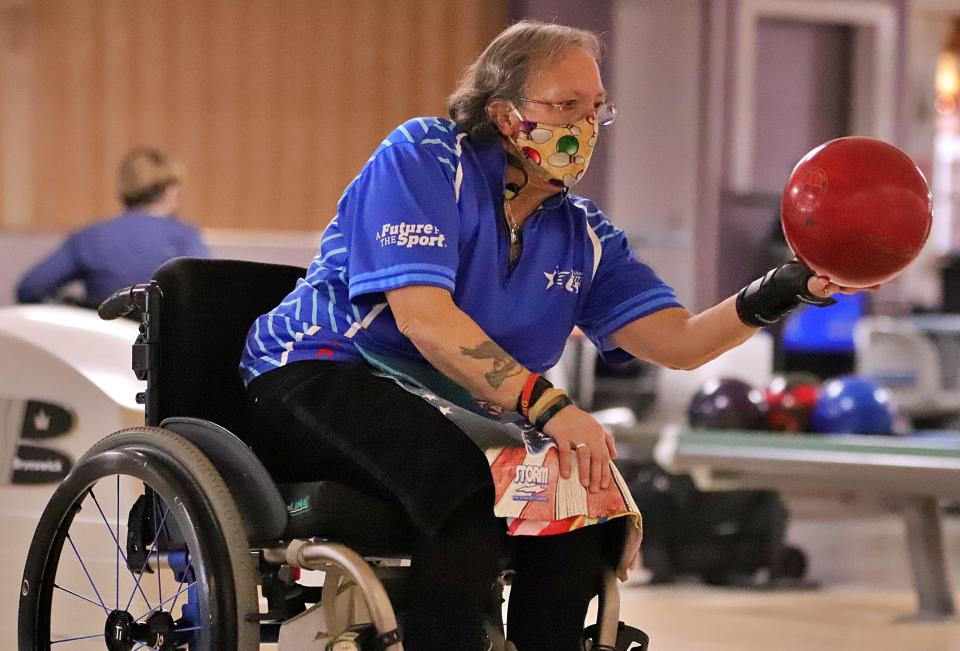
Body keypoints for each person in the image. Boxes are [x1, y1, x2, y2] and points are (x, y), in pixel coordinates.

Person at [241, 21, 854, 651]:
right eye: (565, 107)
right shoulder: (425, 158)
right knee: (467, 490)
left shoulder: (582, 234)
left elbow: (682, 341)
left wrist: (784, 289)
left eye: (595, 109)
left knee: (580, 511)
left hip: (451, 409)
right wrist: (549, 406)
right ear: (504, 113)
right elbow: (425, 319)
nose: (585, 127)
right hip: (320, 373)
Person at [16, 147, 209, 308]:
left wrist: (73, 312)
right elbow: (207, 298)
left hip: (101, 346)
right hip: (164, 351)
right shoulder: (187, 238)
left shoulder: (89, 238)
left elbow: (30, 288)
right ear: (170, 191)